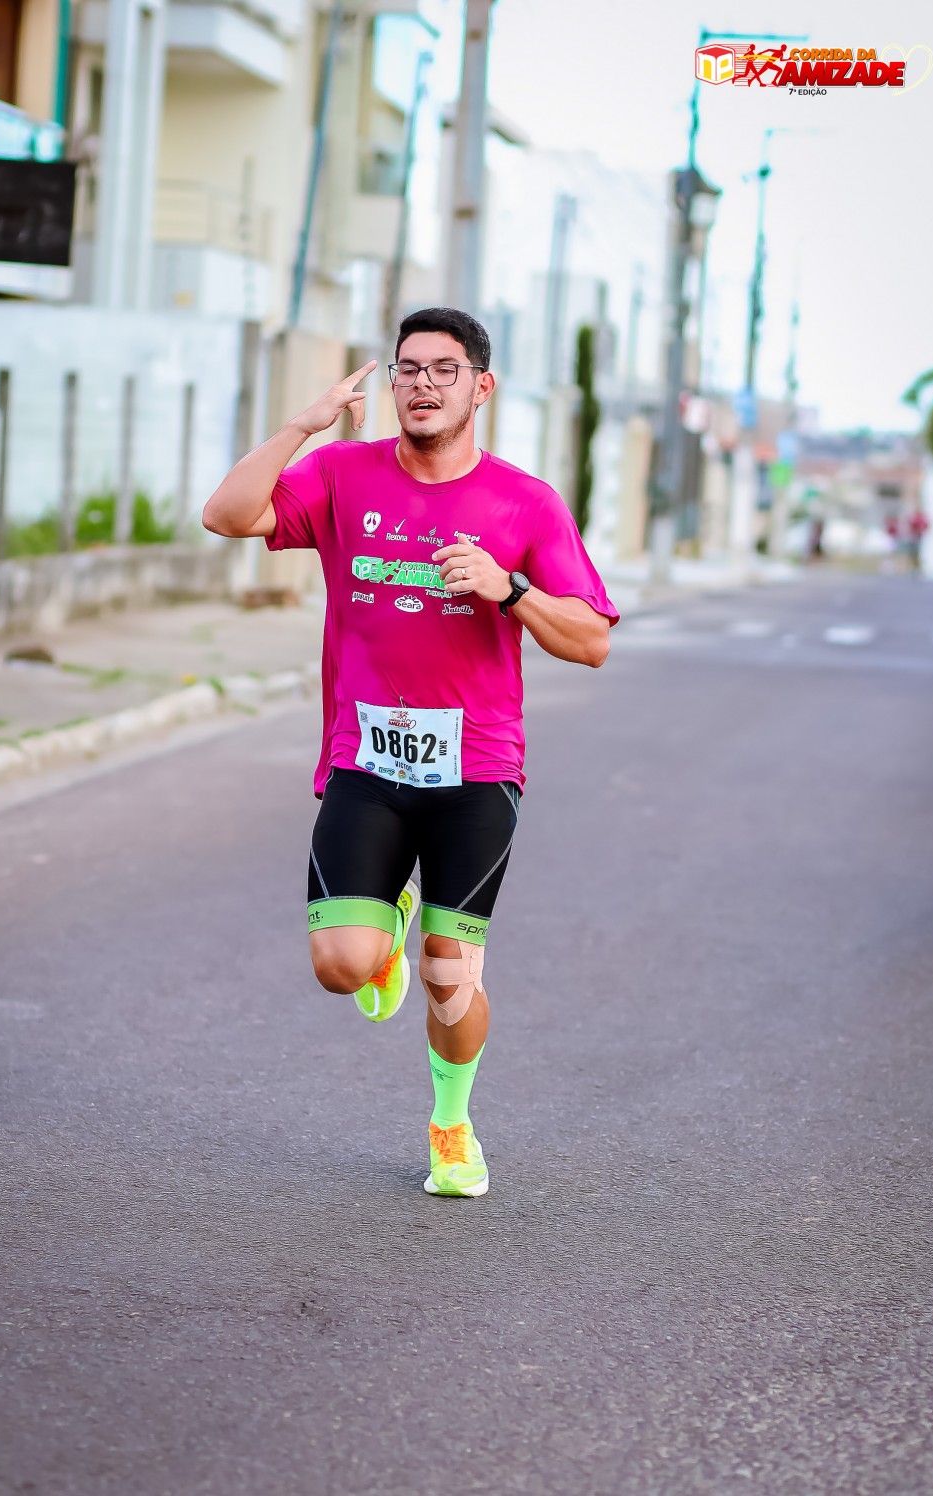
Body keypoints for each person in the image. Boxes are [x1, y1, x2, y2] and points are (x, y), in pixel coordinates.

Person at [203, 307, 617, 1198]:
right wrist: (302, 425)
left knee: (449, 979)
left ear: (481, 387)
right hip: (367, 763)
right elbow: (226, 515)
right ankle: (382, 927)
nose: (422, 384)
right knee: (340, 966)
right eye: (408, 369)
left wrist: (509, 589)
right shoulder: (342, 474)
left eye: (444, 369)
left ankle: (452, 1125)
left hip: (477, 774)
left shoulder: (525, 503)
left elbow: (591, 641)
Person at [907, 506, 929, 572]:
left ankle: (917, 566)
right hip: (914, 537)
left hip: (919, 538)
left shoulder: (922, 518)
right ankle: (914, 566)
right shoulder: (915, 517)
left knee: (917, 552)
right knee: (914, 552)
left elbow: (926, 525)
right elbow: (911, 525)